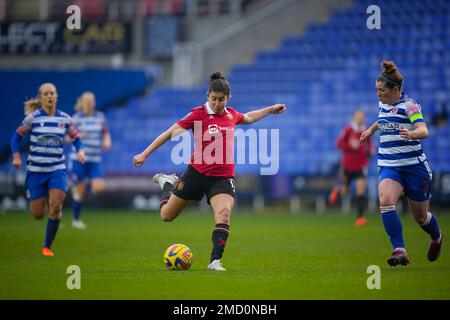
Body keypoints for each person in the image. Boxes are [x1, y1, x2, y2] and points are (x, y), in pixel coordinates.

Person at [133, 71, 286, 271]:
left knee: (223, 214)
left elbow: (248, 117)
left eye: (221, 99)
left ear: (228, 98)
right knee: (166, 216)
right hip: (196, 174)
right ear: (208, 97)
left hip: (222, 178)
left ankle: (215, 261)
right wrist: (145, 154)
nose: (217, 103)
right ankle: (167, 183)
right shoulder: (198, 114)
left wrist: (270, 110)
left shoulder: (231, 114)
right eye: (213, 99)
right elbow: (169, 133)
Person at [360, 61, 443, 267]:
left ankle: (437, 237)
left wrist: (411, 133)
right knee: (386, 200)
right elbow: (383, 120)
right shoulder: (383, 104)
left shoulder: (410, 106)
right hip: (390, 164)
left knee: (420, 216)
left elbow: (423, 130)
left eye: (381, 91)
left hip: (414, 167)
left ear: (395, 89)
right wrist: (371, 130)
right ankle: (399, 250)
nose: (378, 94)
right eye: (376, 91)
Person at [10, 83, 85, 256]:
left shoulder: (65, 119)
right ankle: (33, 194)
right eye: (46, 94)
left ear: (56, 96)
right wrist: (15, 156)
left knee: (56, 206)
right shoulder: (33, 118)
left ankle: (47, 246)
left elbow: (76, 138)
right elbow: (15, 138)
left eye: (52, 93)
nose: (50, 96)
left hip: (57, 169)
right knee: (38, 214)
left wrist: (80, 150)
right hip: (36, 171)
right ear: (41, 98)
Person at [69, 92, 111, 229]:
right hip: (79, 159)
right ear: (82, 102)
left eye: (92, 100)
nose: (89, 103)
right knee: (79, 192)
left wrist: (106, 141)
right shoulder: (76, 118)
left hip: (94, 159)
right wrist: (79, 135)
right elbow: (68, 138)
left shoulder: (100, 117)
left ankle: (82, 188)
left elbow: (105, 132)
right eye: (87, 100)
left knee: (99, 188)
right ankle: (76, 219)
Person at [329, 110, 374, 227]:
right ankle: (338, 190)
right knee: (345, 192)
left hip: (360, 165)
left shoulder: (366, 130)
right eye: (358, 117)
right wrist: (350, 145)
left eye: (362, 117)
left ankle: (360, 217)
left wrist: (371, 150)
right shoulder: (347, 130)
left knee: (361, 189)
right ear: (354, 118)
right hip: (347, 165)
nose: (360, 119)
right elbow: (338, 144)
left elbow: (369, 144)